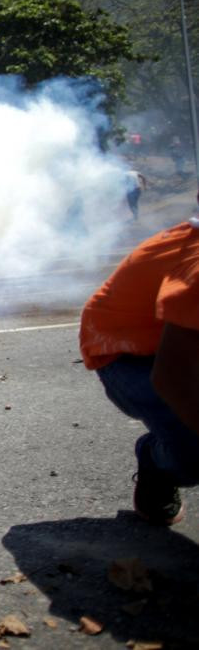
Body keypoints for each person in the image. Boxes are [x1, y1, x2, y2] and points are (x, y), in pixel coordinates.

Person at [80, 210, 199, 525]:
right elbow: (172, 377)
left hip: (177, 351)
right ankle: (156, 461)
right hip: (127, 357)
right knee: (194, 453)